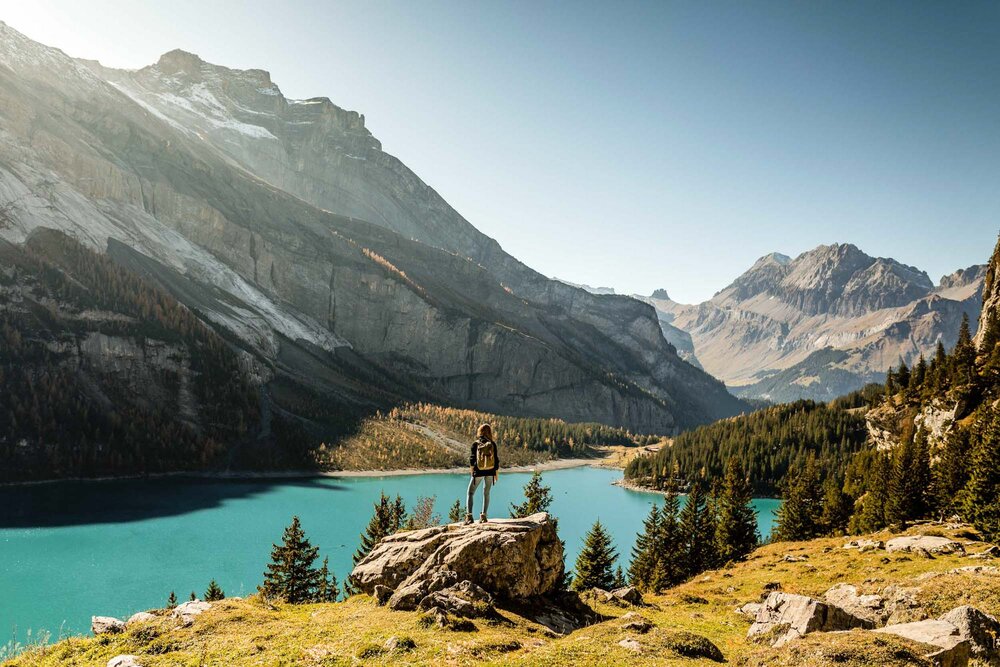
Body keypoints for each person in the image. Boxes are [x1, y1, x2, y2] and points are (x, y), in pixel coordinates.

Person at [466, 423, 499, 524]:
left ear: (480, 431)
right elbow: (496, 460)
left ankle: (469, 517)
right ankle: (483, 516)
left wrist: (473, 471)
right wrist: (496, 473)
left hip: (479, 472)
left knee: (470, 493)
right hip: (490, 471)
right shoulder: (492, 444)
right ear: (489, 432)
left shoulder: (475, 444)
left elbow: (472, 459)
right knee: (486, 493)